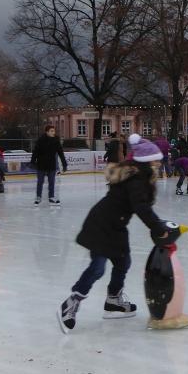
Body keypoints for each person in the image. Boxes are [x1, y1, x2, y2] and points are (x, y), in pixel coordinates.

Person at [58, 137, 170, 333]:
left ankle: (113, 301)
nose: (159, 163)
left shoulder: (138, 175)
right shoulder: (137, 179)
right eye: (155, 160)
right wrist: (157, 227)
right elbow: (141, 207)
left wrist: (156, 224)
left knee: (123, 262)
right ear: (146, 161)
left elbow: (140, 206)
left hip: (116, 225)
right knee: (97, 268)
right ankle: (71, 303)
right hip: (101, 225)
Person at [31, 124, 68, 205]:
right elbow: (35, 152)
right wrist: (33, 162)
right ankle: (38, 197)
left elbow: (61, 153)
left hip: (51, 165)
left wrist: (64, 164)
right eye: (51, 131)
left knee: (52, 182)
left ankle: (51, 197)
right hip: (41, 165)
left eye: (54, 131)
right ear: (47, 132)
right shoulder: (41, 140)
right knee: (40, 182)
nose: (53, 132)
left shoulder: (56, 141)